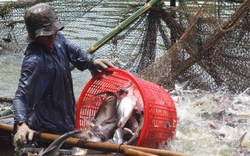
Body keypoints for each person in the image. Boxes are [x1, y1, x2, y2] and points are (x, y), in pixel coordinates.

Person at [13, 3, 115, 150]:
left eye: (54, 30)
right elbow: (21, 96)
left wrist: (92, 61)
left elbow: (73, 50)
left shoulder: (57, 39)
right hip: (48, 129)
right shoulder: (35, 61)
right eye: (47, 33)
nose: (53, 35)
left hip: (67, 118)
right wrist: (21, 124)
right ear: (35, 35)